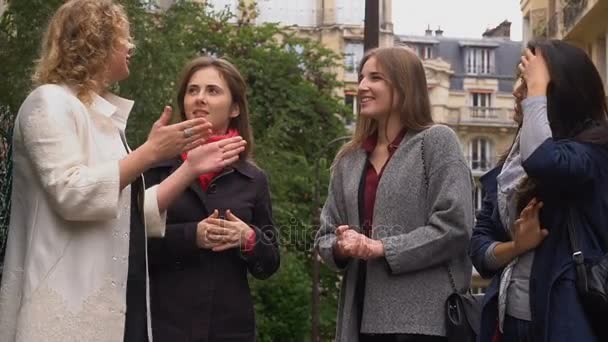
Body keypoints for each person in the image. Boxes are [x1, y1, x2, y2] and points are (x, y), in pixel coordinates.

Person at [0, 1, 245, 341]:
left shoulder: (96, 115)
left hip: (114, 305)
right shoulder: (48, 102)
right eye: (123, 39)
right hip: (64, 307)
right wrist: (149, 153)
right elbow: (72, 195)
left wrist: (189, 168)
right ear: (95, 43)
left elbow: (126, 213)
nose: (131, 47)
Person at [314, 46, 474, 342]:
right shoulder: (348, 159)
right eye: (361, 77)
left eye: (375, 78)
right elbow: (324, 234)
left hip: (424, 324)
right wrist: (341, 245)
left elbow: (455, 226)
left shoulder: (436, 142)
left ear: (404, 84)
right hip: (358, 320)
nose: (362, 86)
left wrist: (381, 248)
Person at [469, 39, 608, 342]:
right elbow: (479, 247)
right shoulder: (511, 167)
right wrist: (517, 246)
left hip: (565, 322)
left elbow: (544, 161)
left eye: (529, 81)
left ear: (560, 90)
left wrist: (536, 90)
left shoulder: (595, 150)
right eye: (522, 81)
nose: (519, 90)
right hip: (507, 321)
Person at [144, 56, 280, 342]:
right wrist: (192, 235)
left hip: (229, 330)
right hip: (165, 327)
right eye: (192, 91)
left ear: (234, 108)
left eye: (212, 91)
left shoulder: (252, 179)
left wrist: (249, 238)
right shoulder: (155, 168)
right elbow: (131, 247)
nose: (200, 99)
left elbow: (269, 264)